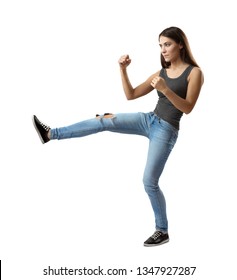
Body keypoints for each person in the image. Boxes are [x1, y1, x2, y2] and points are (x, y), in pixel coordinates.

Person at [33, 26, 204, 247]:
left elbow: (188, 108)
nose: (163, 49)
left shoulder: (194, 73)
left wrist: (166, 90)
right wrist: (122, 69)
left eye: (167, 44)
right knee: (105, 119)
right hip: (149, 119)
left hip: (166, 129)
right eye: (160, 45)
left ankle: (162, 231)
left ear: (180, 44)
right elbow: (130, 94)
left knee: (149, 182)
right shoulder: (160, 73)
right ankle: (50, 134)